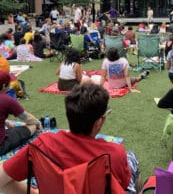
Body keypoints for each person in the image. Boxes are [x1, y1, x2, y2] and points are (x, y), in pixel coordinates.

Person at [0, 82, 142, 193]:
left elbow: (1, 180)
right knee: (132, 157)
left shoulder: (43, 144)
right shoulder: (115, 153)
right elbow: (123, 185)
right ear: (98, 122)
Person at [0, 70, 41, 156]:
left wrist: (5, 122)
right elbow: (28, 118)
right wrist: (38, 123)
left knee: (12, 127)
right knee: (32, 126)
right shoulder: (6, 100)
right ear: (4, 85)